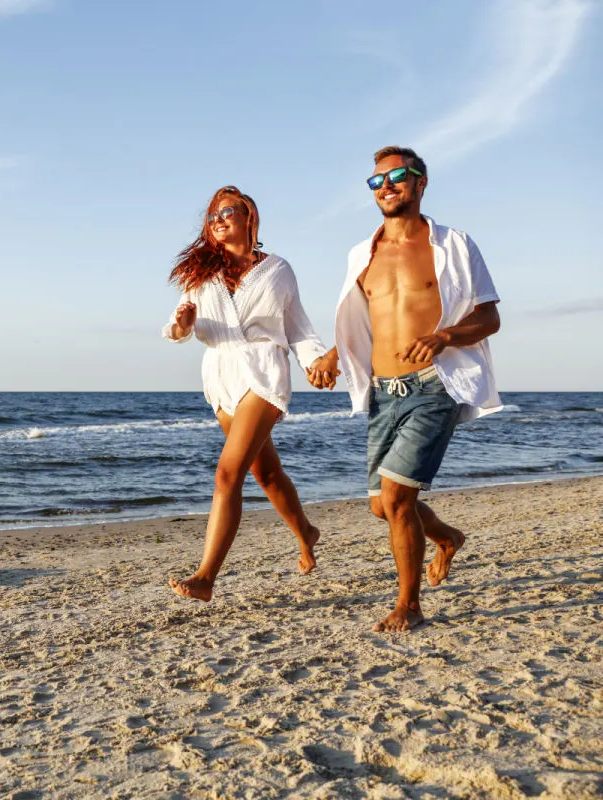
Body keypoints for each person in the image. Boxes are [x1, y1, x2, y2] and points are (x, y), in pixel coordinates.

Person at [310, 146, 502, 632]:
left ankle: (409, 605)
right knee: (383, 506)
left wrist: (445, 336)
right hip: (380, 391)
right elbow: (362, 321)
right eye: (376, 181)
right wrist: (334, 356)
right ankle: (447, 537)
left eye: (397, 176)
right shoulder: (362, 254)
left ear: (421, 182)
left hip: (435, 385)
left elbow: (489, 316)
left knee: (397, 499)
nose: (386, 186)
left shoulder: (452, 245)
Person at [163, 185, 332, 602]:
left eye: (227, 212)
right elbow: (178, 329)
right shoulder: (199, 274)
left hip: (263, 371)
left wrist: (314, 361)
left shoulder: (278, 269)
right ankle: (306, 532)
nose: (217, 220)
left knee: (228, 474)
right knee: (266, 473)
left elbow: (297, 327)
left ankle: (206, 576)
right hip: (220, 375)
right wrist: (183, 323)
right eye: (212, 215)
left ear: (248, 217)